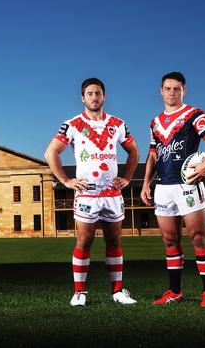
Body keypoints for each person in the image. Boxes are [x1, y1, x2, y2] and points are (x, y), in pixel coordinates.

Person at [45, 78, 140, 306]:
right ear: (82, 97)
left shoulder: (118, 124)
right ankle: (79, 293)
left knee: (114, 241)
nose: (94, 97)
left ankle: (117, 291)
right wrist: (66, 180)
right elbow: (51, 153)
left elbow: (134, 151)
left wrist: (127, 177)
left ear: (104, 96)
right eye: (89, 94)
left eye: (98, 93)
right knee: (84, 241)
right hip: (87, 194)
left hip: (112, 194)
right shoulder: (72, 124)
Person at [140, 71, 205, 308]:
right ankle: (174, 291)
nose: (172, 93)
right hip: (163, 186)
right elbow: (153, 155)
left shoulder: (195, 114)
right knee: (169, 240)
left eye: (177, 89)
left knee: (197, 237)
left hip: (188, 184)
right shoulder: (154, 122)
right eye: (168, 89)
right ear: (161, 91)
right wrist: (146, 183)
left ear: (183, 90)